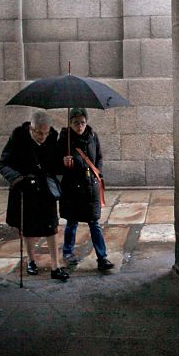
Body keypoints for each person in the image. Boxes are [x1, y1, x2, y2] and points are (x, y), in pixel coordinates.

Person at [0, 110, 70, 281]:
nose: (43, 136)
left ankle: (55, 266)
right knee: (28, 229)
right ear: (31, 128)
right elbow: (4, 163)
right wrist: (18, 178)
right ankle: (31, 260)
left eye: (46, 132)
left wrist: (64, 163)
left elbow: (55, 165)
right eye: (39, 133)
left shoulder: (53, 137)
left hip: (46, 190)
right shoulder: (18, 136)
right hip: (25, 190)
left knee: (51, 227)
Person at [58, 108, 115, 271]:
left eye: (83, 122)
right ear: (70, 123)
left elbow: (99, 157)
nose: (80, 126)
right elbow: (55, 162)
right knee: (72, 221)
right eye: (76, 123)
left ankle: (102, 257)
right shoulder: (64, 139)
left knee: (94, 222)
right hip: (72, 188)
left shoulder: (92, 136)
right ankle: (68, 253)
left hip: (90, 187)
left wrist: (98, 173)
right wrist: (64, 161)